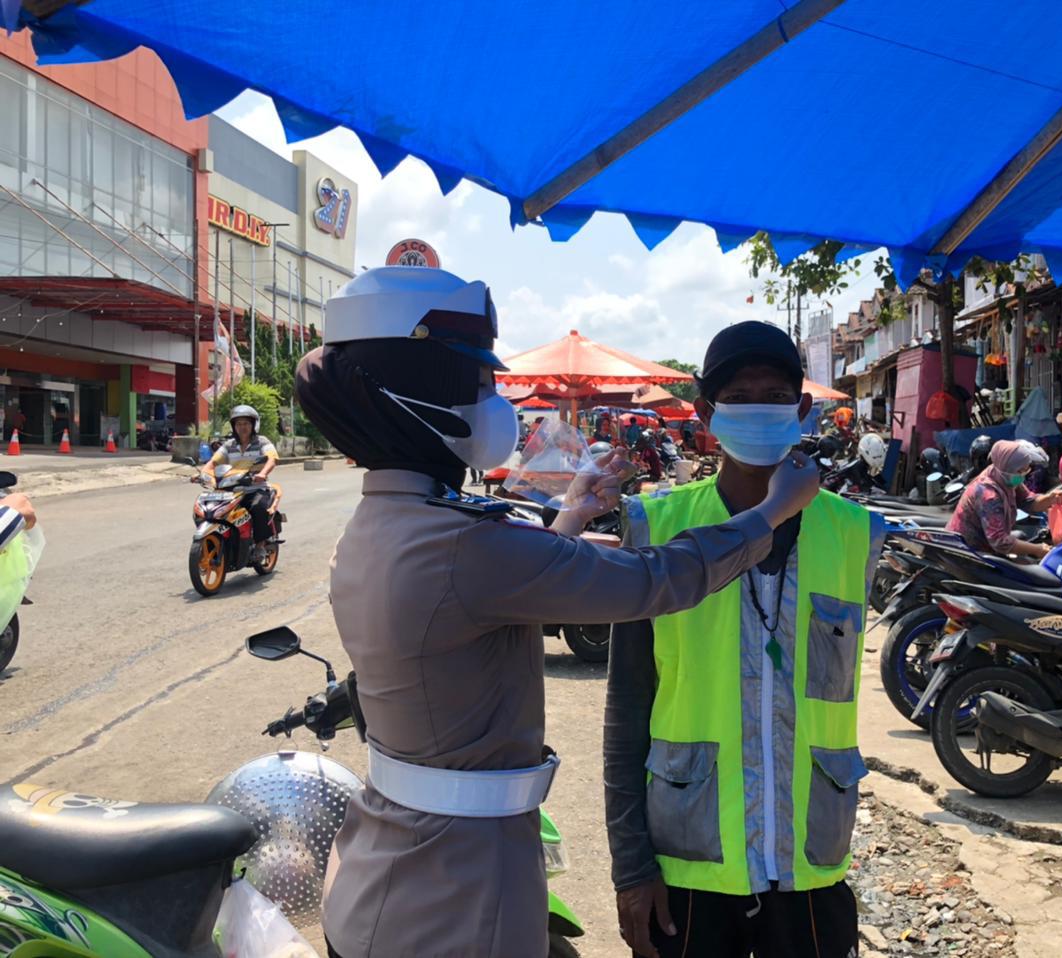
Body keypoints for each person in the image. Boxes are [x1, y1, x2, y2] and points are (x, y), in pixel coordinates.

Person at [297, 267, 819, 958]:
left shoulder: (389, 522)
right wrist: (771, 512)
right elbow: (655, 581)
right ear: (416, 395)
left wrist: (569, 516)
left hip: (393, 866)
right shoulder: (460, 541)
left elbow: (484, 591)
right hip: (454, 897)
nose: (494, 403)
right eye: (478, 384)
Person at [605, 320, 880, 958]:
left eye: (775, 395)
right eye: (740, 396)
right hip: (690, 858)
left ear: (802, 409)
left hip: (811, 863)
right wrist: (631, 866)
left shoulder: (856, 534)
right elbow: (626, 713)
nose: (759, 409)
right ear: (706, 414)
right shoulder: (658, 528)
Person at [946, 439, 1062, 560]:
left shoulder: (1006, 477)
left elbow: (1028, 501)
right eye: (1020, 471)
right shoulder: (989, 495)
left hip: (989, 545)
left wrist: (1049, 499)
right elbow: (1000, 542)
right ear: (1006, 469)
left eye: (1026, 470)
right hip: (969, 552)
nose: (1023, 475)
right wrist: (1037, 549)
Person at [196, 404, 278, 562]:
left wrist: (262, 473)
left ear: (254, 425)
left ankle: (260, 546)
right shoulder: (229, 445)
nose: (242, 427)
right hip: (230, 489)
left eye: (246, 423)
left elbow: (272, 459)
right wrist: (202, 474)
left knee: (258, 508)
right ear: (234, 426)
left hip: (255, 488)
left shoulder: (262, 442)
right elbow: (213, 463)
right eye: (238, 424)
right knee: (206, 510)